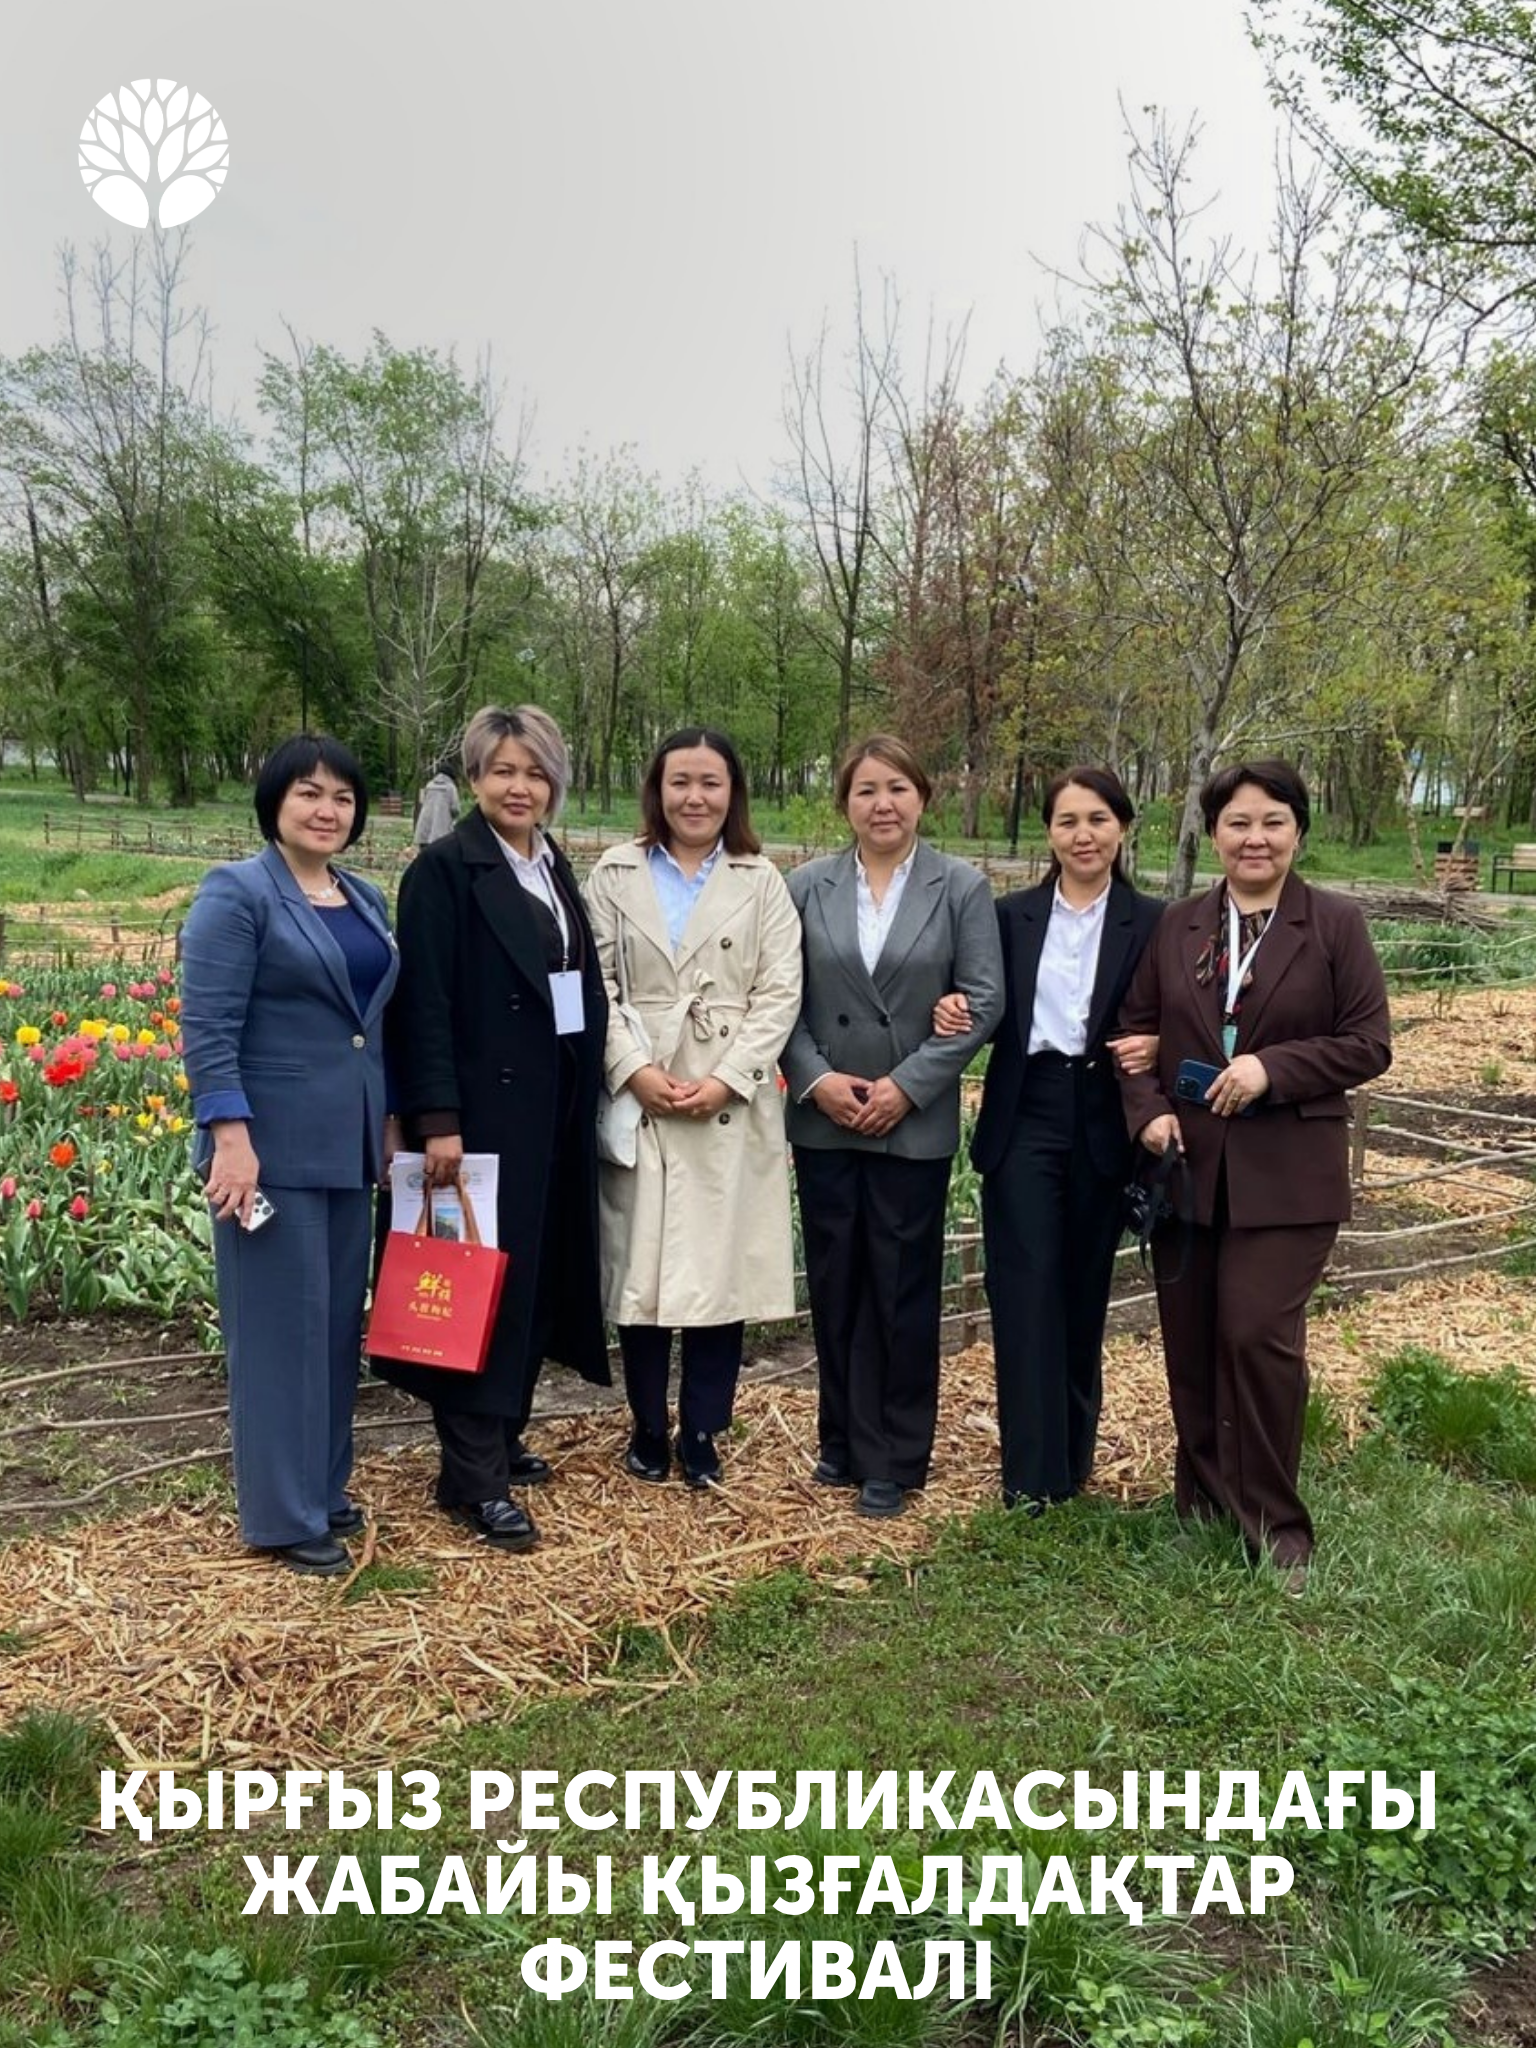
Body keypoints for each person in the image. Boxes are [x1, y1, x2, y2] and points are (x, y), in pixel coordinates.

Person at [1117, 758, 1391, 1587]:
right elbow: (1134, 1035)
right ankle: (1202, 1505)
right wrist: (1148, 1112)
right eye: (1237, 823)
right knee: (1192, 1340)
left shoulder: (1333, 925)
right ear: (1214, 834)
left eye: (1273, 821)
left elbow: (1368, 1042)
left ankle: (1277, 1527)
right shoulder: (1181, 926)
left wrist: (1273, 1068)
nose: (1255, 838)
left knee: (1254, 1334)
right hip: (1190, 1170)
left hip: (1289, 1176)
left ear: (1298, 830)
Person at [379, 704, 610, 1552]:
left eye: (536, 772)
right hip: (479, 1118)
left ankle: (501, 1436)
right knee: (474, 1284)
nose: (521, 787)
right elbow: (424, 1004)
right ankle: (472, 1479)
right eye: (504, 770)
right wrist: (437, 1120)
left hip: (553, 1110)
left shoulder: (551, 866)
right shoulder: (444, 871)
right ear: (475, 777)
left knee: (531, 1280)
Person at [180, 734, 399, 1577]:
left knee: (336, 1328)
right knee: (278, 1335)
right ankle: (281, 1515)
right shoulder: (237, 893)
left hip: (348, 1145)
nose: (326, 810)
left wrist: (388, 1121)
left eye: (342, 797)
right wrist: (230, 1139)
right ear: (274, 801)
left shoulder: (363, 897)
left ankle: (323, 1487)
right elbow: (208, 1028)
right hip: (267, 1151)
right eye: (308, 792)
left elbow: (370, 1025)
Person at [782, 736, 1004, 1519]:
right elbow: (780, 999)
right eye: (867, 790)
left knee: (902, 1289)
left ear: (923, 798)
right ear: (845, 802)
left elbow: (983, 1000)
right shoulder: (806, 885)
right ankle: (840, 1438)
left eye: (898, 788)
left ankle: (896, 1455)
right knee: (836, 1282)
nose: (883, 804)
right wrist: (816, 1080)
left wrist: (906, 1088)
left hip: (910, 1122)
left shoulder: (961, 887)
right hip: (828, 1117)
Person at [937, 768, 1163, 1511]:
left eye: (1098, 819)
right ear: (1049, 833)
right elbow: (974, 999)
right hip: (1026, 1108)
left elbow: (1178, 1012)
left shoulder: (1153, 921)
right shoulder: (1009, 917)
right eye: (1068, 821)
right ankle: (1029, 1477)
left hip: (1104, 1112)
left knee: (1082, 1290)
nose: (1083, 835)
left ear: (1121, 828)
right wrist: (951, 1009)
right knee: (1024, 1288)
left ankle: (1072, 1460)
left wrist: (1161, 1043)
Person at [583, 728, 802, 1488]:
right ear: (658, 789)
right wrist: (632, 1069)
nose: (695, 797)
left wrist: (730, 1078)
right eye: (681, 781)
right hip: (642, 1087)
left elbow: (780, 992)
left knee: (718, 1271)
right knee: (640, 1270)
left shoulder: (761, 880)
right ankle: (647, 1424)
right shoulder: (615, 873)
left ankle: (704, 1427)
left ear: (732, 792)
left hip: (725, 1096)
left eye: (711, 782)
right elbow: (595, 982)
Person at [413, 759, 459, 847]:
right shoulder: (451, 788)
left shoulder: (429, 785)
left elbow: (423, 802)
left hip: (424, 829)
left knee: (425, 853)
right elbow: (455, 809)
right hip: (441, 833)